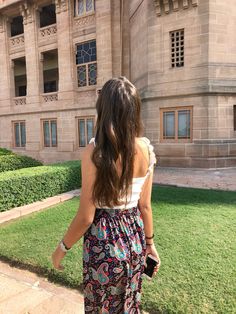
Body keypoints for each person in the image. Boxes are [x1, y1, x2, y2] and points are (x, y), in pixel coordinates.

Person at [52, 76, 160, 313]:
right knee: (127, 304)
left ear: (105, 110)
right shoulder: (146, 149)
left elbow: (86, 216)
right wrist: (150, 245)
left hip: (103, 240)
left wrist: (61, 249)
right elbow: (145, 206)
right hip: (134, 239)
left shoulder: (96, 151)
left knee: (102, 305)